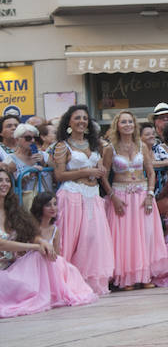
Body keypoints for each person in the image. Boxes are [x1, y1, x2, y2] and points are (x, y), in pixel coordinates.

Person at [0, 176, 97, 317]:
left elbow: (31, 234)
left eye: (7, 180)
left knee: (42, 255)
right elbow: (2, 244)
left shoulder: (14, 211)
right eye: (0, 180)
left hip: (13, 266)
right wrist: (34, 246)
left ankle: (52, 293)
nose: (4, 184)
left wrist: (42, 242)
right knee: (36, 253)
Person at [101, 111, 168, 290]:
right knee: (125, 238)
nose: (128, 125)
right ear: (117, 125)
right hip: (121, 195)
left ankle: (145, 275)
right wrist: (112, 196)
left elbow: (151, 172)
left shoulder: (141, 145)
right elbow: (104, 175)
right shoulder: (110, 148)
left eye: (130, 121)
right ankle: (127, 277)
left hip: (142, 195)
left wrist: (150, 194)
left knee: (145, 235)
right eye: (123, 122)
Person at [52, 105, 114, 295]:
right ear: (69, 122)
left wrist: (101, 170)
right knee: (70, 241)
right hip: (72, 196)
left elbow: (101, 168)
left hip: (93, 196)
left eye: (85, 118)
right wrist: (86, 171)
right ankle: (64, 282)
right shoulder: (63, 146)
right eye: (77, 118)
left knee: (93, 241)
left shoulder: (94, 145)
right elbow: (59, 175)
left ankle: (88, 282)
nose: (81, 121)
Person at [9, 123, 52, 208]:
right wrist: (30, 174)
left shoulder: (44, 155)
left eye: (35, 138)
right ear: (17, 140)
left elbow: (57, 175)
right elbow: (12, 185)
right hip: (27, 204)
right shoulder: (11, 160)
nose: (32, 141)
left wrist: (44, 163)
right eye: (28, 138)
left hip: (48, 201)